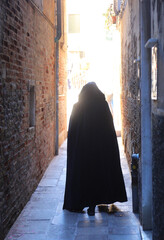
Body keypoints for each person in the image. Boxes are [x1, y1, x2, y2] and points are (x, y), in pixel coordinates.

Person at [63, 82, 127, 215]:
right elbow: (109, 131)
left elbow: (73, 133)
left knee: (85, 176)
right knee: (100, 175)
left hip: (83, 153)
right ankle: (100, 200)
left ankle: (88, 204)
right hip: (100, 152)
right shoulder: (102, 106)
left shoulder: (77, 107)